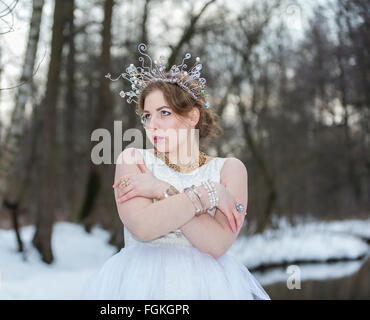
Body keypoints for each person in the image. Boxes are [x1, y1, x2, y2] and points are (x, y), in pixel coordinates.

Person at [79, 43, 270, 300]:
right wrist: (208, 194)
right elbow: (144, 228)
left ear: (192, 117)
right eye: (147, 116)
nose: (152, 125)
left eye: (164, 113)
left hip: (210, 289)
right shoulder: (133, 160)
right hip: (139, 287)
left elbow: (216, 244)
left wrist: (162, 191)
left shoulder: (230, 169)